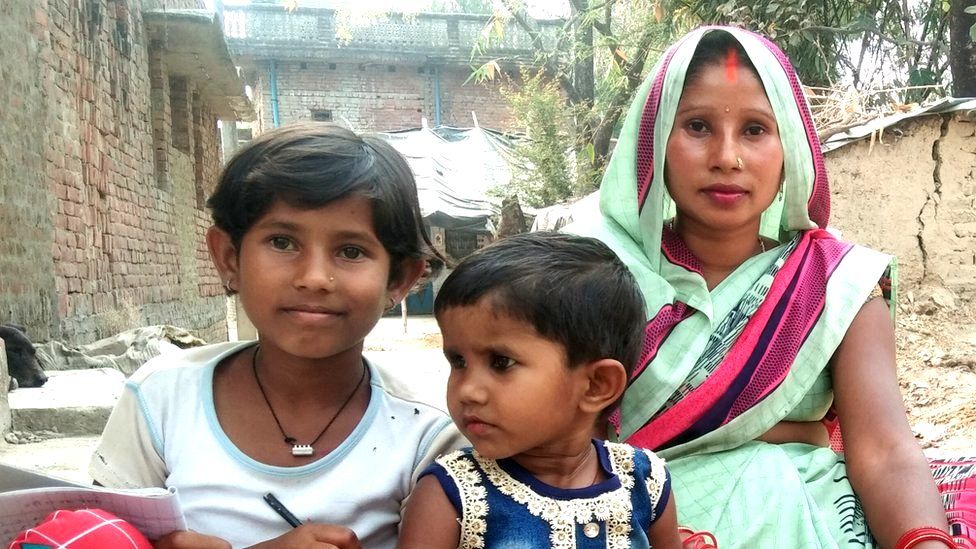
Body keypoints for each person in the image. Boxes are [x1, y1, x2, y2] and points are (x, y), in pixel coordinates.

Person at [569, 25, 975, 548]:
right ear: (653, 143)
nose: (727, 157)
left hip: (804, 522)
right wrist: (792, 430)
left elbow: (884, 450)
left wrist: (924, 544)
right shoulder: (594, 272)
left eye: (756, 130)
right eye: (696, 126)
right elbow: (556, 432)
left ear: (792, 150)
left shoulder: (837, 285)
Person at [88, 123, 465, 548]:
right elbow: (94, 536)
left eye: (351, 251)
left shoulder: (428, 436)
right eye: (282, 242)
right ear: (229, 258)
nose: (314, 278)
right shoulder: (162, 399)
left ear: (399, 279)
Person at [398, 232, 686, 549]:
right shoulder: (451, 493)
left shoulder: (644, 482)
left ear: (596, 385)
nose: (468, 391)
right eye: (458, 361)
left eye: (501, 362)